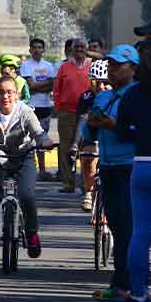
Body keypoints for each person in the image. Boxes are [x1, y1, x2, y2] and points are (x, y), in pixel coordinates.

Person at [91, 37, 151, 302]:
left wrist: (140, 133)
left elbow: (121, 132)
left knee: (138, 234)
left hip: (140, 166)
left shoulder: (133, 95)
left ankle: (139, 296)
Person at [79, 44, 139, 301]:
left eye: (118, 66)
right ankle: (120, 281)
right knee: (116, 226)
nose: (112, 71)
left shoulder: (138, 95)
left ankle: (129, 283)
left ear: (133, 68)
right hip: (108, 167)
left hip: (131, 167)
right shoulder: (102, 97)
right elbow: (89, 130)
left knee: (129, 228)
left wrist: (114, 126)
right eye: (110, 66)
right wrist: (91, 125)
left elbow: (141, 130)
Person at [0, 76, 55, 258]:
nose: (6, 96)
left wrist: (45, 142)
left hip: (23, 157)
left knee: (27, 195)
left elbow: (38, 132)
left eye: (10, 92)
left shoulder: (25, 112)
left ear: (17, 94)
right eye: (1, 92)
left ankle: (32, 233)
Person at [51, 38, 90, 193]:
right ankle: (68, 183)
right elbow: (56, 89)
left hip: (87, 113)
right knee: (66, 147)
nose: (79, 49)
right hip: (67, 113)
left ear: (86, 49)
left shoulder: (92, 65)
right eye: (76, 47)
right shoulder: (64, 67)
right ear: (71, 50)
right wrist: (59, 108)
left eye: (82, 46)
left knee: (85, 148)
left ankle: (85, 183)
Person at [72, 59, 109, 212]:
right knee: (88, 156)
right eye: (95, 83)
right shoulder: (86, 97)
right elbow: (82, 121)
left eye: (103, 82)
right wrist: (75, 145)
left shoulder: (117, 94)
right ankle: (88, 191)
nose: (99, 87)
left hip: (110, 132)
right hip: (91, 132)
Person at [19, 38, 56, 179]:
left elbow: (51, 86)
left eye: (40, 47)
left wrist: (38, 86)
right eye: (34, 47)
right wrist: (45, 85)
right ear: (30, 49)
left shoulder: (49, 66)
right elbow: (30, 86)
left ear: (43, 50)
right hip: (31, 107)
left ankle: (42, 170)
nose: (37, 50)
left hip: (45, 106)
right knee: (28, 139)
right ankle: (29, 169)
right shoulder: (26, 65)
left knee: (42, 139)